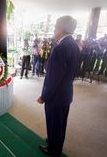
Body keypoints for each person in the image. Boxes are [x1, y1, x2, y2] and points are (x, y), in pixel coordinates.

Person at [37, 15, 79, 157]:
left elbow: (53, 78)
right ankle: (56, 146)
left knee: (54, 124)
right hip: (66, 93)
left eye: (55, 26)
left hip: (55, 96)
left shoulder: (60, 48)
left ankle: (53, 151)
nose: (54, 30)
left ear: (61, 28)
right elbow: (73, 72)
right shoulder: (73, 44)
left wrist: (44, 96)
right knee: (60, 125)